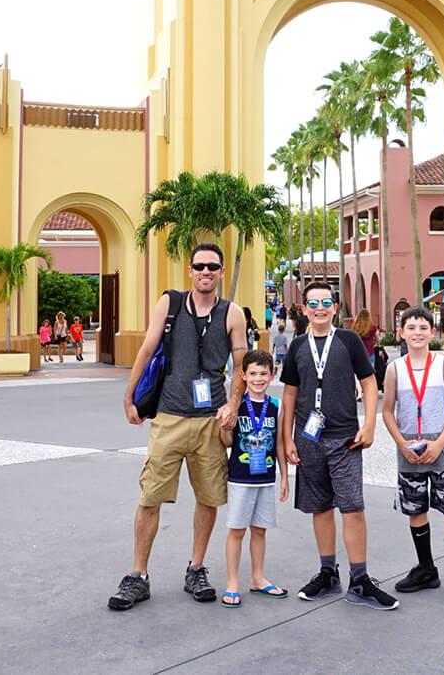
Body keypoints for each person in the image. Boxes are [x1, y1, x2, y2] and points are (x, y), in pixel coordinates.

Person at [108, 242, 248, 611]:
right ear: (190, 270)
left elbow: (241, 365)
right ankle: (138, 576)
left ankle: (196, 568)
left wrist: (233, 405)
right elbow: (146, 348)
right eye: (199, 266)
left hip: (210, 423)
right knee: (150, 497)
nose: (206, 272)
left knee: (208, 497)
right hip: (168, 417)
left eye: (213, 267)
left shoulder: (232, 313)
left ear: (220, 272)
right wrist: (130, 396)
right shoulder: (169, 303)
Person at [281, 280, 399, 611]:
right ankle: (327, 573)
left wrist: (370, 424)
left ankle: (359, 580)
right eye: (313, 303)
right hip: (309, 440)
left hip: (346, 438)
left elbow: (370, 383)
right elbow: (290, 394)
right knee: (320, 507)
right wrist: (288, 437)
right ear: (304, 310)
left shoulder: (347, 340)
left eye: (326, 302)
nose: (320, 308)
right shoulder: (297, 346)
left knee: (352, 508)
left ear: (335, 308)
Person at [381, 306, 444, 607]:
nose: (417, 332)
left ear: (432, 332)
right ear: (401, 332)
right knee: (416, 510)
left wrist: (439, 443)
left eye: (422, 327)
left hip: (442, 449)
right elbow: (388, 410)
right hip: (410, 452)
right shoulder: (394, 369)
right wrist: (402, 444)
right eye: (411, 327)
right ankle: (426, 569)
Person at [219, 349, 289, 607]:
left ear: (273, 375)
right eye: (253, 374)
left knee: (259, 530)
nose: (258, 379)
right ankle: (232, 582)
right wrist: (225, 428)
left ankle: (258, 578)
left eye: (263, 374)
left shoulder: (276, 406)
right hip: (240, 477)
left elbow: (280, 442)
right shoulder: (236, 407)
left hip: (266, 477)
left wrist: (284, 476)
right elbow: (227, 442)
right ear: (243, 375)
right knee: (237, 530)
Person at [353, 308, 379, 401]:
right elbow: (377, 337)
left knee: (356, 375)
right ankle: (371, 392)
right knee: (370, 375)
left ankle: (359, 393)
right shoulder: (372, 327)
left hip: (359, 354)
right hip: (370, 353)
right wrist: (377, 344)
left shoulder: (356, 327)